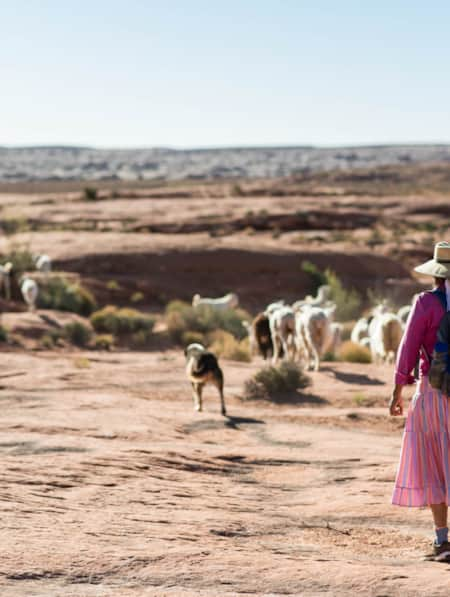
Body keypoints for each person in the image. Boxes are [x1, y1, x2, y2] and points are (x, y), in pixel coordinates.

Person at [390, 241, 450, 561]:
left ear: (436, 274)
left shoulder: (426, 303)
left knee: (435, 465)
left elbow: (409, 347)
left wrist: (398, 390)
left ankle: (442, 541)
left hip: (433, 392)